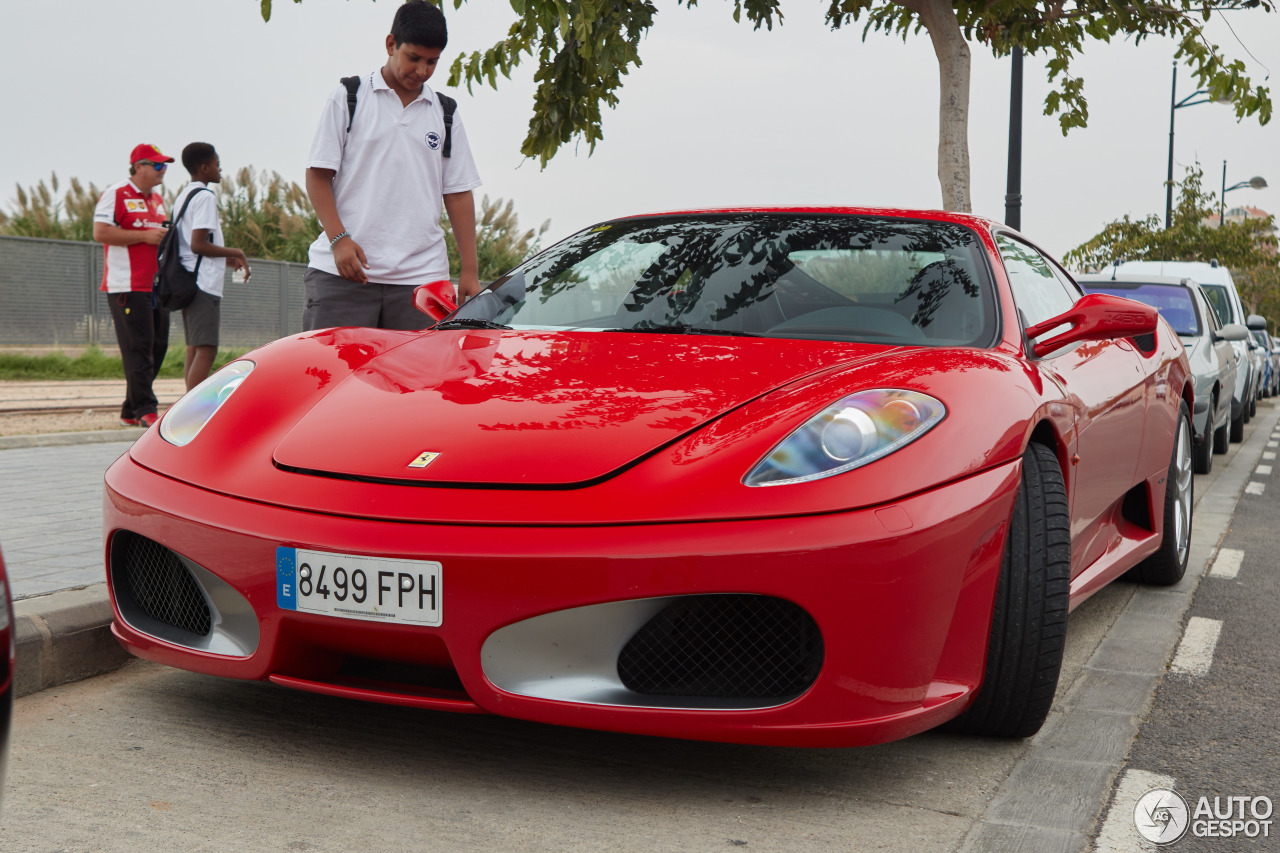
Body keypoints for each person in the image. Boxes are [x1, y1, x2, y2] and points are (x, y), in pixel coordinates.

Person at [303, 0, 482, 332]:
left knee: (419, 383)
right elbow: (317, 176)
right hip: (343, 275)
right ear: (390, 44)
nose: (422, 71)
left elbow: (458, 194)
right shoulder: (348, 97)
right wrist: (339, 239)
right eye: (413, 58)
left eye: (432, 62)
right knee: (336, 382)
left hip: (423, 282)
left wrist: (469, 271)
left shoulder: (446, 112)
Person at [92, 143, 173, 427]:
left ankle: (130, 407)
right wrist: (143, 237)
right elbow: (100, 232)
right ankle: (145, 409)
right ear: (138, 166)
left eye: (165, 166)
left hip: (156, 285)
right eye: (158, 165)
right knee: (138, 347)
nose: (164, 170)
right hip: (126, 284)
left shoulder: (159, 199)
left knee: (158, 345)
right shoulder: (116, 193)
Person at [172, 142, 251, 390]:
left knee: (193, 349)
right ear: (204, 168)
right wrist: (237, 252)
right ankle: (194, 415)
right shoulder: (205, 196)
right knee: (206, 351)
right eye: (217, 164)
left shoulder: (184, 196)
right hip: (203, 284)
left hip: (189, 279)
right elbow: (198, 244)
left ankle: (186, 412)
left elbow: (191, 247)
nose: (220, 168)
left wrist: (228, 260)